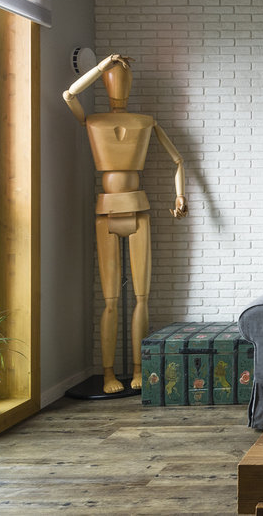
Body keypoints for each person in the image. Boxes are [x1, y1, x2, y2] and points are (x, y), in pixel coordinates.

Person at [63, 54, 187, 393]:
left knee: (142, 297)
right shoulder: (93, 121)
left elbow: (177, 159)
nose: (120, 81)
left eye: (124, 74)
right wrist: (100, 66)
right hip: (106, 211)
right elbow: (69, 95)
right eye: (113, 75)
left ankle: (137, 369)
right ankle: (107, 373)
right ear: (104, 80)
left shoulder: (145, 121)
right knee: (110, 300)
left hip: (138, 208)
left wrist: (180, 195)